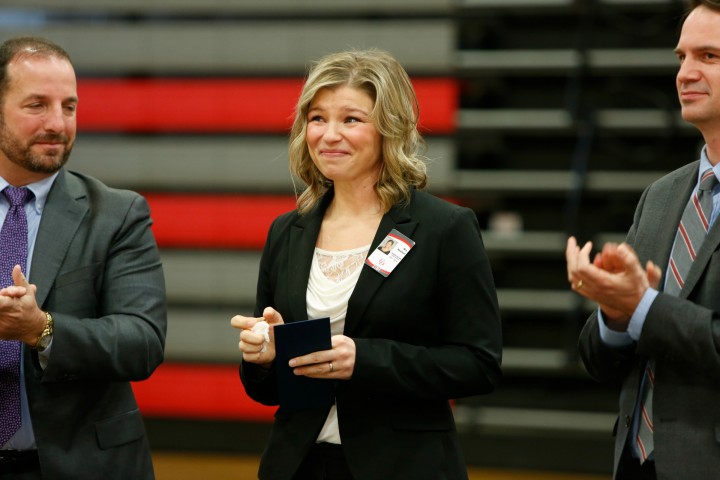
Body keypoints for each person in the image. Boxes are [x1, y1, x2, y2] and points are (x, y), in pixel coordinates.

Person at [231, 48, 502, 480]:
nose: (329, 134)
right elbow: (269, 391)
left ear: (389, 129)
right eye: (317, 118)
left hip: (404, 466)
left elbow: (478, 364)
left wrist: (366, 359)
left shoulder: (444, 228)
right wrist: (264, 358)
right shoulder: (287, 231)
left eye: (351, 119)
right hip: (298, 465)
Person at [0, 37, 166, 479]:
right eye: (37, 105)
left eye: (69, 107)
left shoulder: (116, 213)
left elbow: (143, 341)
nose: (58, 123)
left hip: (82, 465)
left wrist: (42, 329)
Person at [566, 1, 720, 478]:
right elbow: (598, 361)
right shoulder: (661, 196)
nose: (685, 73)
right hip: (636, 464)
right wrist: (614, 312)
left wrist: (644, 308)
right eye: (681, 57)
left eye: (709, 56)